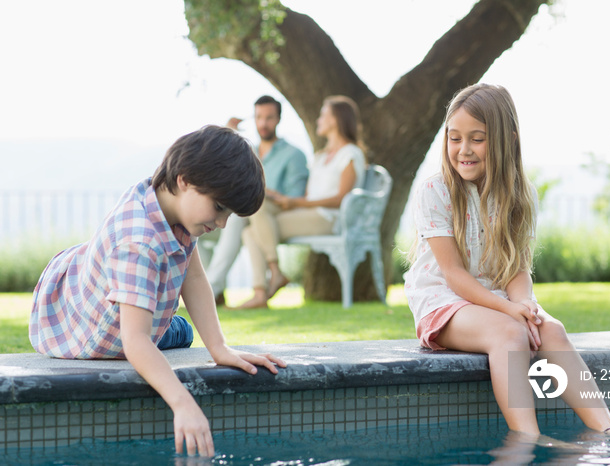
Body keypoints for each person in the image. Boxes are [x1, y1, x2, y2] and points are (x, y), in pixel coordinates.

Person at [404, 83, 610, 441]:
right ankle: (527, 437)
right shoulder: (434, 190)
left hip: (496, 297)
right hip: (444, 301)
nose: (463, 150)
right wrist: (508, 311)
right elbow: (453, 274)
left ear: (507, 140)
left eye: (477, 139)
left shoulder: (520, 194)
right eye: (455, 138)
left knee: (551, 329)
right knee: (510, 333)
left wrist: (524, 305)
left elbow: (516, 268)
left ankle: (609, 428)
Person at [29, 125, 287, 457]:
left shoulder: (173, 206)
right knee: (180, 331)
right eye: (220, 208)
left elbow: (193, 280)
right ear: (185, 179)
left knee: (180, 328)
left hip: (116, 310)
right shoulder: (137, 243)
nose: (223, 223)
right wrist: (183, 403)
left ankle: (170, 324)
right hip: (79, 325)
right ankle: (170, 325)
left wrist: (220, 348)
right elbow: (134, 340)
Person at [236, 95, 367, 309]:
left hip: (328, 218)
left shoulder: (350, 154)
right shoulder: (320, 156)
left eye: (323, 115)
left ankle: (273, 276)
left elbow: (340, 199)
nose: (318, 120)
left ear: (335, 120)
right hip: (309, 213)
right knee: (252, 218)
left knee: (253, 229)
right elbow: (308, 197)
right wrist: (283, 199)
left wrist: (295, 204)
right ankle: (262, 290)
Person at [201, 95, 309, 307]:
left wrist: (264, 192)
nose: (263, 123)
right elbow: (216, 169)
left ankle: (209, 291)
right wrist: (227, 134)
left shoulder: (294, 155)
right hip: (238, 216)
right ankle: (214, 289)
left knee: (237, 219)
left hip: (268, 216)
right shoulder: (246, 151)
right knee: (191, 227)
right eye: (259, 117)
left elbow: (294, 198)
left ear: (278, 119)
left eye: (269, 117)